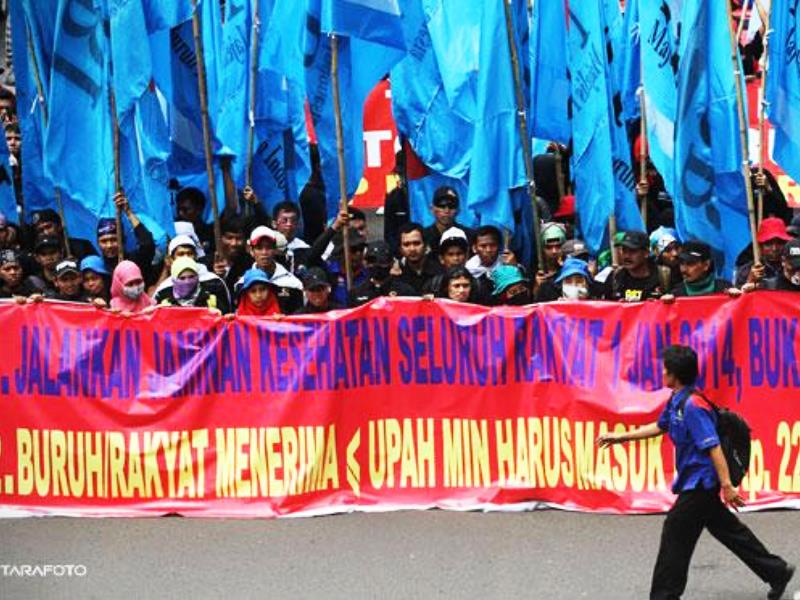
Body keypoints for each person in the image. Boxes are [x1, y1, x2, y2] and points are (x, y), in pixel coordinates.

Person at [597, 345, 794, 600]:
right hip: (695, 482)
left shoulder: (693, 406)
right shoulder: (677, 400)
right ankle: (776, 571)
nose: (662, 370)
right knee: (729, 531)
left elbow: (713, 448)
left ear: (674, 375)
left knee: (674, 534)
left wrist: (727, 486)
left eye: (665, 367)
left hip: (701, 484)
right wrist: (620, 437)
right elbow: (659, 427)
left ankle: (664, 596)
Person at [95, 193, 156, 279]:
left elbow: (147, 244)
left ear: (123, 240)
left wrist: (129, 212)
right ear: (98, 243)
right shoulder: (98, 268)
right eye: (104, 241)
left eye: (114, 240)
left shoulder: (134, 261)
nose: (109, 245)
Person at [244, 226, 304, 313]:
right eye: (259, 248)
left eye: (268, 247)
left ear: (275, 249)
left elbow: (299, 320)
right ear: (251, 250)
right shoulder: (242, 284)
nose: (264, 253)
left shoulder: (293, 284)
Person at [661, 241, 737, 299]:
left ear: (706, 265)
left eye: (690, 263)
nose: (683, 270)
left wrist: (738, 298)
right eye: (681, 263)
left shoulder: (724, 289)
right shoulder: (676, 295)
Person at [602, 230, 664, 301]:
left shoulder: (663, 276)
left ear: (646, 253)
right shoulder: (615, 278)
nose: (627, 256)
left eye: (633, 251)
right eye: (624, 250)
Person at [350, 240, 415, 306]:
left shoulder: (405, 292)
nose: (377, 265)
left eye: (382, 262)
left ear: (391, 263)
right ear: (365, 263)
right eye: (372, 261)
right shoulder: (356, 293)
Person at [154, 256, 230, 313]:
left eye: (191, 277)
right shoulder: (165, 305)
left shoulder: (211, 300)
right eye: (182, 278)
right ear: (174, 280)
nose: (187, 282)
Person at [735, 217, 792, 287]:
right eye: (768, 244)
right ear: (760, 247)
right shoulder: (746, 271)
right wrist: (750, 281)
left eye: (779, 243)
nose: (774, 248)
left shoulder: (794, 268)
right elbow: (738, 295)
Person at [422, 187, 474, 255]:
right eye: (442, 206)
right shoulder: (423, 237)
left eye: (451, 206)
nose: (446, 211)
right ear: (432, 209)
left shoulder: (469, 236)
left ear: (458, 210)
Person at [28, 209, 95, 260]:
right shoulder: (38, 254)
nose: (46, 232)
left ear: (59, 226)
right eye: (40, 230)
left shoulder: (81, 247)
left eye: (48, 227)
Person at [397, 222, 443, 294]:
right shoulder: (396, 275)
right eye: (406, 244)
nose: (412, 249)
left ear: (426, 246)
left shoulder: (440, 273)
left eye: (416, 243)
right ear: (400, 249)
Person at [272, 200, 310, 274]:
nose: (289, 224)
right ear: (274, 224)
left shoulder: (303, 248)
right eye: (284, 220)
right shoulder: (268, 247)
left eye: (293, 220)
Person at [175, 187, 214, 256]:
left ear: (199, 209)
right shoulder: (173, 232)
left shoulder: (211, 233)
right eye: (178, 209)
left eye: (185, 210)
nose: (180, 213)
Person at [650, 226, 682, 291]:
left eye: (677, 247)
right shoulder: (650, 275)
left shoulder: (689, 269)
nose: (675, 253)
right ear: (657, 253)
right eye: (668, 250)